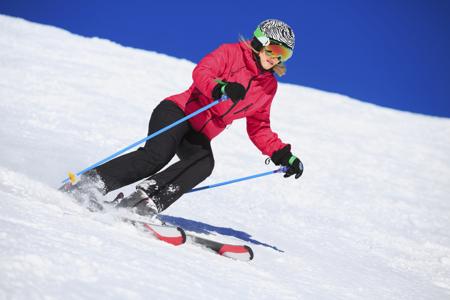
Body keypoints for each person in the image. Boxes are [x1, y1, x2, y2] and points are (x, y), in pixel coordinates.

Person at [62, 19, 304, 215]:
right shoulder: (231, 54)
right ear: (259, 42)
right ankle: (89, 184)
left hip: (199, 133)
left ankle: (143, 202)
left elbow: (259, 126)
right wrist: (220, 88)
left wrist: (281, 153)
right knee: (156, 156)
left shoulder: (268, 87)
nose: (276, 58)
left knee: (203, 163)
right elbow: (202, 72)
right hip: (180, 111)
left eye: (284, 54)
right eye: (274, 49)